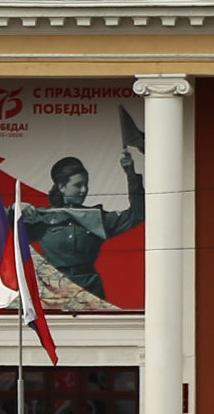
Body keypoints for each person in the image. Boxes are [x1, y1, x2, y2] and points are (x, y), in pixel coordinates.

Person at [17, 129, 146, 301]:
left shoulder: (96, 218)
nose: (84, 190)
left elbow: (138, 214)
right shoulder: (43, 218)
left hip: (90, 291)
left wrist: (130, 173)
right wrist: (15, 209)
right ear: (62, 187)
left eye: (86, 185)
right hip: (53, 292)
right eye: (78, 185)